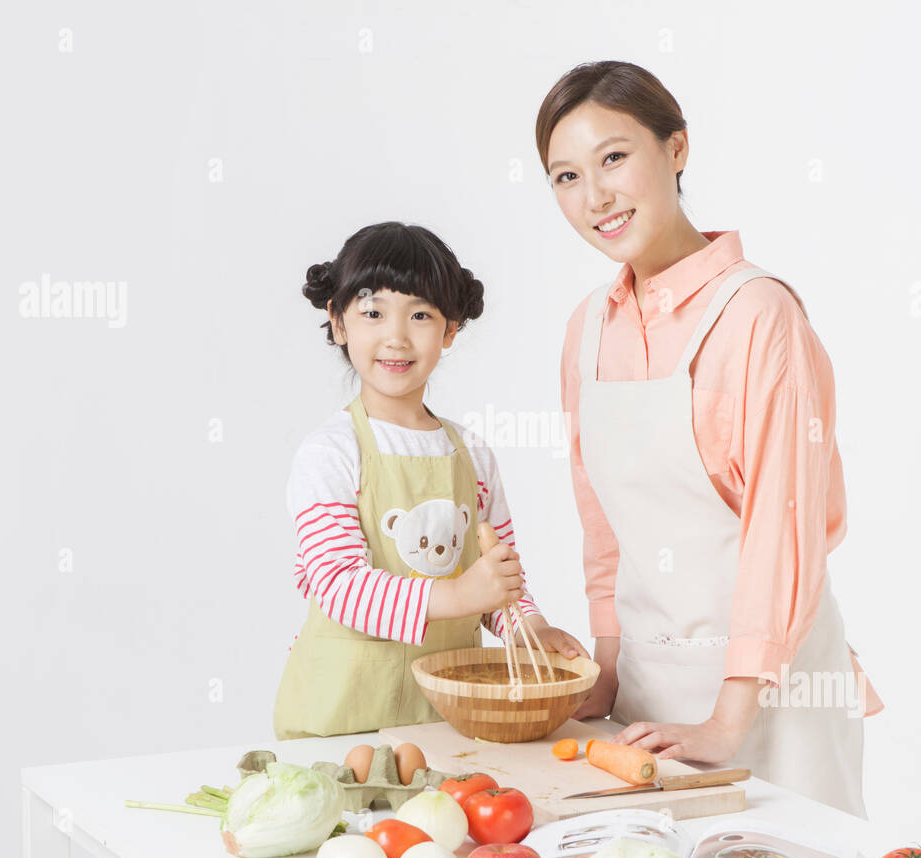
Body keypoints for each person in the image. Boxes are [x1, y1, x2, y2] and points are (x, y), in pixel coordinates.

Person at [535, 62, 883, 817]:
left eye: (614, 158)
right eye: (566, 176)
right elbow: (605, 530)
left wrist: (730, 719)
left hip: (772, 702)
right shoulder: (587, 330)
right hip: (648, 699)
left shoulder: (759, 317)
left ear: (678, 149)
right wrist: (605, 670)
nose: (594, 198)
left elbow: (780, 534)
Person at [274, 221, 587, 739]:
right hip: (339, 721)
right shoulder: (329, 453)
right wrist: (461, 596)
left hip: (444, 721)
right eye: (373, 313)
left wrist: (528, 627)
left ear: (450, 329)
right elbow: (339, 585)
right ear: (339, 322)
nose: (396, 336)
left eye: (420, 314)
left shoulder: (473, 456)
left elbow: (499, 578)